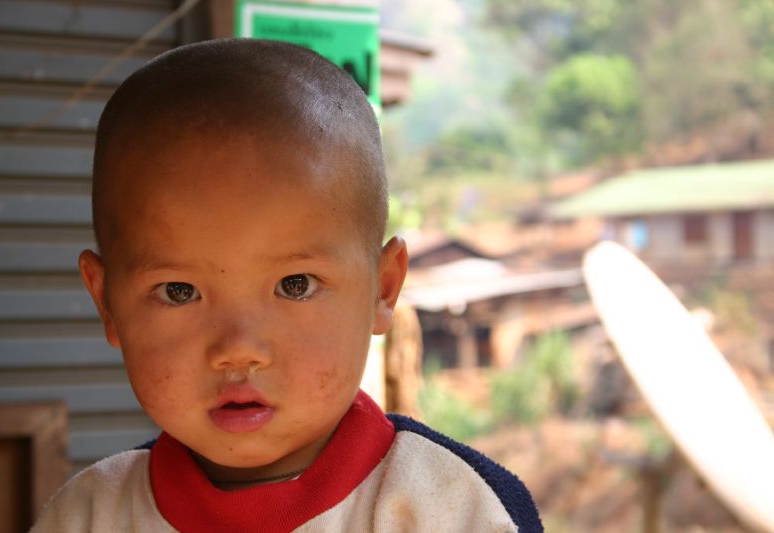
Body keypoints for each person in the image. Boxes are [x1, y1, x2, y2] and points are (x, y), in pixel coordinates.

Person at [31, 38, 542, 532]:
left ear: (383, 289)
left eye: (295, 284)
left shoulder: (452, 510)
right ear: (107, 303)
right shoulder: (87, 517)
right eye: (179, 291)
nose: (238, 350)